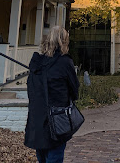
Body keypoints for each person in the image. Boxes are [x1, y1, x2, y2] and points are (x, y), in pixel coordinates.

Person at [25, 26, 80, 163]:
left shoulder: (37, 63)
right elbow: (74, 89)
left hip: (37, 117)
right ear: (63, 41)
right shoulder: (65, 62)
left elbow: (31, 89)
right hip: (57, 118)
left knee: (42, 156)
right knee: (54, 157)